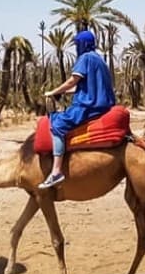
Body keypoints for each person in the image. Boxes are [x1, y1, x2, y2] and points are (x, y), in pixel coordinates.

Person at [39, 30, 116, 189]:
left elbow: (72, 81)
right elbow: (84, 87)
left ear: (83, 44)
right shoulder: (99, 60)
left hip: (88, 106)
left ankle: (56, 171)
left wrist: (53, 92)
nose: (76, 47)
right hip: (103, 105)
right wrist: (61, 93)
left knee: (57, 124)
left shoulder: (85, 58)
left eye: (78, 44)